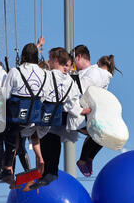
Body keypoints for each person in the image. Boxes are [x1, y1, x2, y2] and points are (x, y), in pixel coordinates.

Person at [28, 47, 91, 190]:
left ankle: (39, 172)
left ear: (55, 60)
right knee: (54, 140)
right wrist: (82, 111)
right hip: (59, 116)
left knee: (41, 138)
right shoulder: (70, 81)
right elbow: (72, 104)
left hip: (45, 115)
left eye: (50, 59)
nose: (48, 61)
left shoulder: (45, 76)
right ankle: (51, 171)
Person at [0, 43, 48, 189]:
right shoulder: (44, 73)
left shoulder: (15, 71)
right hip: (35, 119)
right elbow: (45, 96)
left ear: (23, 57)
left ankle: (8, 168)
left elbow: (4, 95)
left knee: (9, 135)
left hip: (17, 119)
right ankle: (38, 160)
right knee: (26, 137)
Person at [74, 51, 116, 177]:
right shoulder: (105, 77)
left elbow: (82, 86)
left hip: (82, 109)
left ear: (98, 63)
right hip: (86, 112)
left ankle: (85, 159)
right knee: (102, 134)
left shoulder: (96, 72)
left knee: (98, 133)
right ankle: (87, 158)